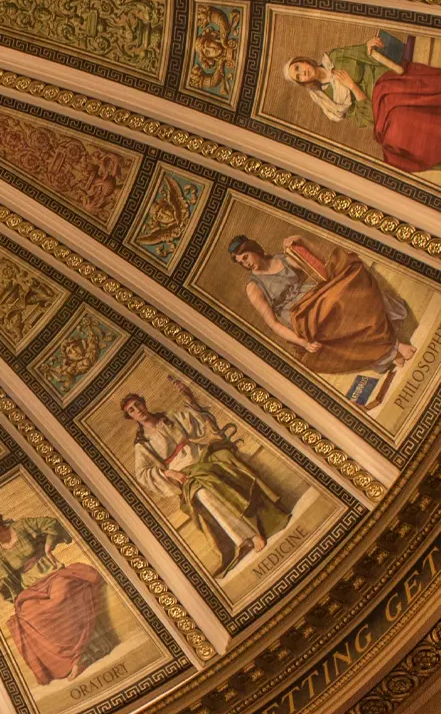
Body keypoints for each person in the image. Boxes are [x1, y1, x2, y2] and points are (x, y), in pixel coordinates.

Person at [282, 30, 441, 174]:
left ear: (304, 60)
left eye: (299, 67)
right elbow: (364, 118)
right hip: (378, 110)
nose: (303, 73)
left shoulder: (337, 57)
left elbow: (368, 54)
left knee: (403, 113)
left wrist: (369, 44)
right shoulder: (327, 102)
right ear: (303, 83)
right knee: (394, 138)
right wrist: (353, 87)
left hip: (385, 81)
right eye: (299, 76)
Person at [122, 393, 293, 576]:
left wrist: (190, 401)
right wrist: (168, 472)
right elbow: (142, 473)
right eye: (132, 410)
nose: (137, 410)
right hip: (184, 472)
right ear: (130, 416)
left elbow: (196, 426)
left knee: (227, 459)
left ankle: (266, 513)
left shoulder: (170, 418)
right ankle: (246, 537)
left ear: (144, 403)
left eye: (137, 404)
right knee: (202, 494)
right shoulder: (142, 443)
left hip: (202, 456)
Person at [227, 235, 417, 379]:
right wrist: (302, 343)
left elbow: (321, 266)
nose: (246, 263)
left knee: (349, 284)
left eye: (245, 256)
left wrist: (303, 241)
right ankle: (394, 347)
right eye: (241, 262)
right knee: (335, 305)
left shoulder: (283, 259)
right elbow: (273, 323)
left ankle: (388, 351)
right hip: (301, 317)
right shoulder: (253, 288)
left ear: (254, 249)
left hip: (318, 295)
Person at [0, 509, 116, 685]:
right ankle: (73, 661)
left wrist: (48, 547)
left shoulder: (22, 526)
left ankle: (82, 655)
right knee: (30, 613)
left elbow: (51, 524)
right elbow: (7, 578)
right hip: (30, 589)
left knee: (61, 597)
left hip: (53, 574)